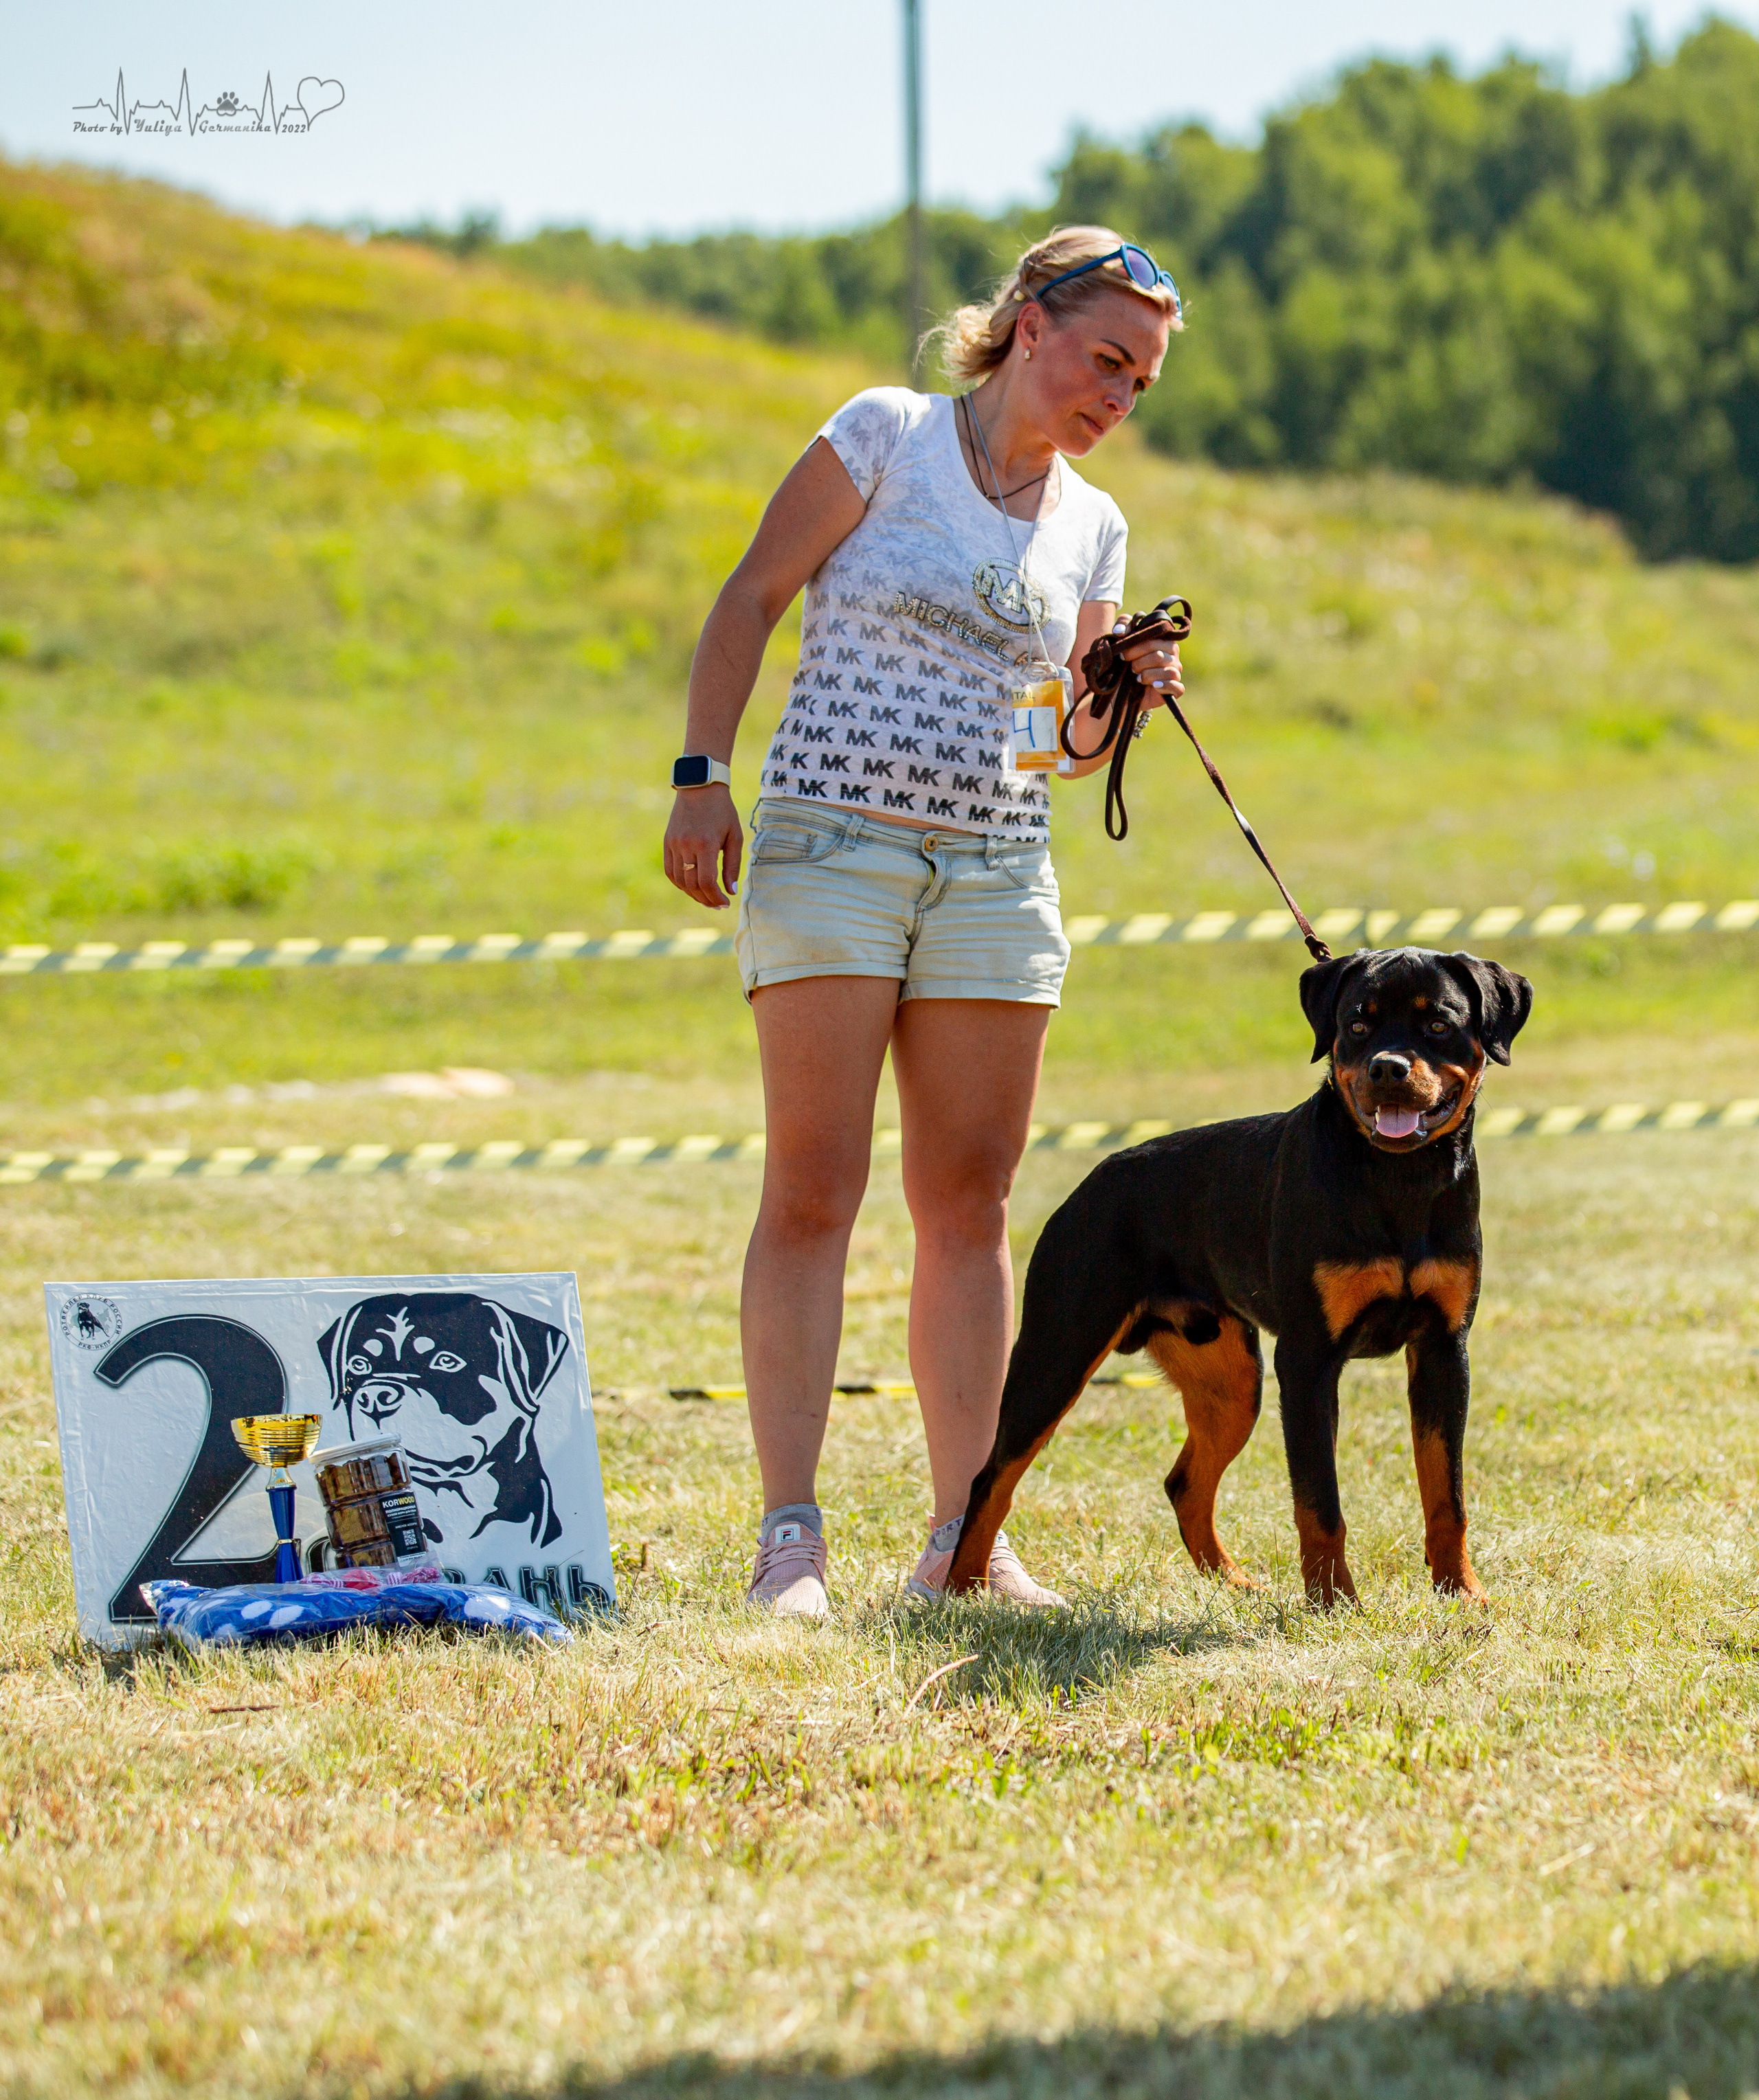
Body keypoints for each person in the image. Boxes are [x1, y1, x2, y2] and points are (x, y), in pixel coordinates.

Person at [663, 227, 1185, 1616]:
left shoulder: (1093, 525)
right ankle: (790, 1540)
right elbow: (751, 598)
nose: (1117, 398)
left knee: (968, 1208)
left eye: (1139, 382)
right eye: (1105, 360)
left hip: (997, 873)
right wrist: (701, 775)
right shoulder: (882, 435)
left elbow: (1064, 747)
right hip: (832, 846)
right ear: (1028, 324)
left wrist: (1119, 690)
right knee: (813, 1190)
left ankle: (965, 1537)